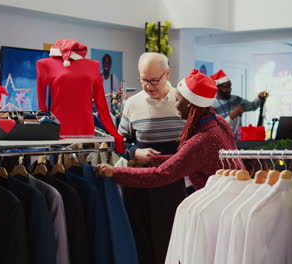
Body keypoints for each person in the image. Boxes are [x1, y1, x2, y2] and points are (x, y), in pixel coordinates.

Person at [95, 68, 239, 191]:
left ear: (189, 104)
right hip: (234, 190)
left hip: (218, 202)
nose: (175, 105)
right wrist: (151, 159)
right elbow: (186, 159)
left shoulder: (199, 141)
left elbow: (160, 175)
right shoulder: (218, 121)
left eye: (177, 100)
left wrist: (113, 172)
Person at [116, 52, 187, 264]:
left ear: (168, 74)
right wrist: (133, 152)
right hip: (140, 183)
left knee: (172, 242)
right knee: (141, 241)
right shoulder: (132, 104)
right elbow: (120, 142)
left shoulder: (182, 102)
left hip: (173, 183)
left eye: (154, 80)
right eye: (143, 80)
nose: (148, 85)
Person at [211, 69, 268, 136]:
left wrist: (259, 98)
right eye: (226, 87)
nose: (229, 90)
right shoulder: (212, 106)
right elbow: (216, 129)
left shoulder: (236, 99)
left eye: (230, 86)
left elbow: (253, 106)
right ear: (217, 88)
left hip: (238, 141)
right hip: (223, 141)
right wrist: (231, 116)